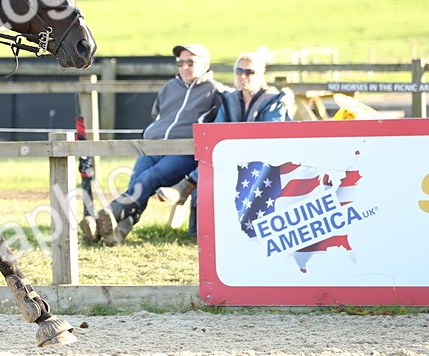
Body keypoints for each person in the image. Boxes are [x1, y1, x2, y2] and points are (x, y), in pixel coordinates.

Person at [90, 43, 224, 246]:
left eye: (191, 62)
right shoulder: (169, 87)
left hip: (184, 152)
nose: (185, 66)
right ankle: (117, 231)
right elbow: (157, 115)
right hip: (152, 147)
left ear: (205, 65)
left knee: (150, 178)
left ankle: (108, 214)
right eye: (181, 62)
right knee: (137, 182)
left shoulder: (216, 92)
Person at [155, 50, 292, 230]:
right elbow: (217, 132)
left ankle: (185, 186)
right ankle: (199, 231)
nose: (243, 76)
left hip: (264, 160)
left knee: (215, 163)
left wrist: (235, 144)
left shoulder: (274, 100)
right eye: (239, 71)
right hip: (231, 158)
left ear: (260, 74)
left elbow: (270, 136)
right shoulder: (230, 100)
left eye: (249, 72)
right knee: (210, 162)